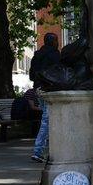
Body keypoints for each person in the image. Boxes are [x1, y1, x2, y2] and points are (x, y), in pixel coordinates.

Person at [29, 33, 60, 163]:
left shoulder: (37, 55)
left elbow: (31, 76)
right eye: (56, 40)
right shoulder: (55, 55)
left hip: (39, 89)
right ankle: (38, 150)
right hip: (49, 90)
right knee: (47, 121)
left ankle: (44, 149)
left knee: (46, 119)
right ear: (54, 42)